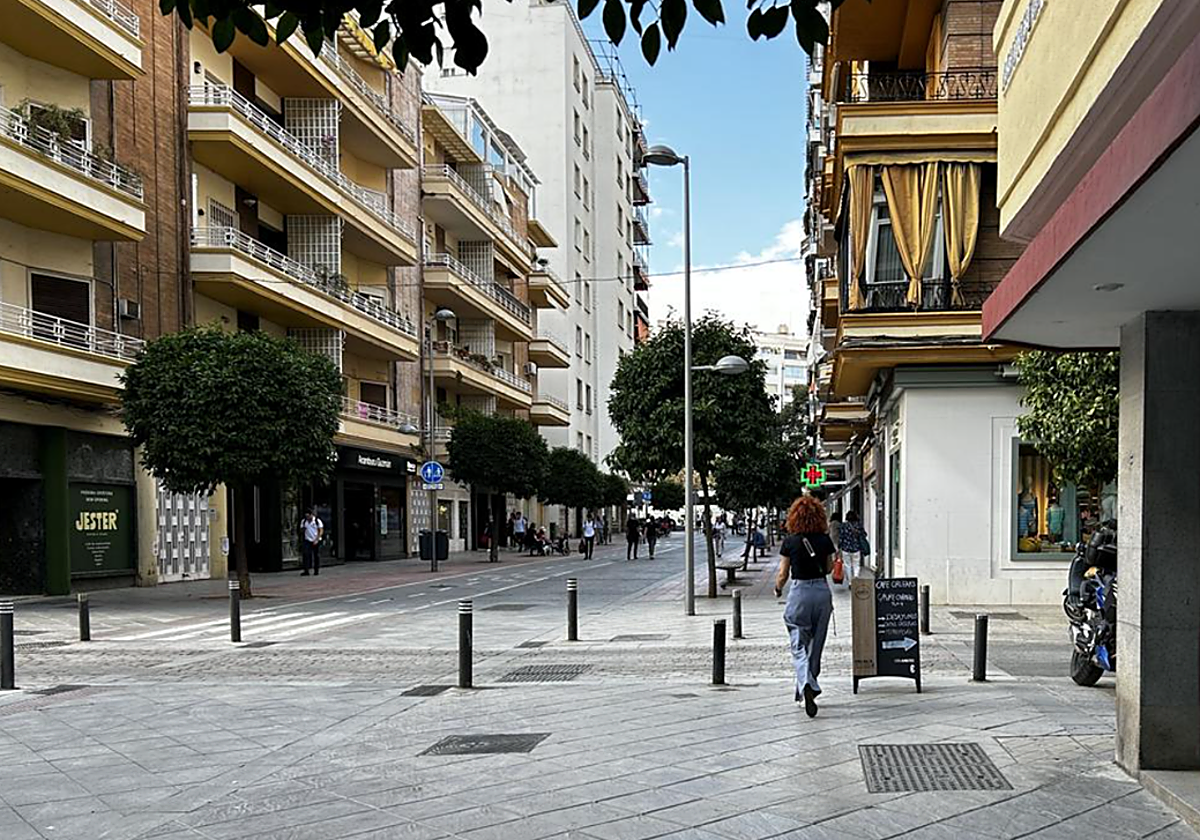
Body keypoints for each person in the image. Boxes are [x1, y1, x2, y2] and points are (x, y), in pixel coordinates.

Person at [774, 495, 835, 718]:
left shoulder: (790, 542)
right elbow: (828, 568)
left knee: (798, 644)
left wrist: (777, 588)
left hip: (799, 593)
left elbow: (782, 574)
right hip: (821, 593)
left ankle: (806, 684)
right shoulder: (825, 540)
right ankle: (808, 685)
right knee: (816, 645)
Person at [838, 510, 870, 580]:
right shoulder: (858, 525)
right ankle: (856, 577)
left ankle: (850, 581)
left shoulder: (843, 526)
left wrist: (839, 546)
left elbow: (841, 537)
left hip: (846, 549)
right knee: (856, 564)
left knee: (847, 565)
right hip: (856, 548)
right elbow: (864, 534)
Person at [300, 508, 323, 576]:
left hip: (316, 539)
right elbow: (302, 530)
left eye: (308, 516)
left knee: (316, 555)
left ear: (311, 515)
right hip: (307, 540)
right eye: (306, 516)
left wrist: (317, 539)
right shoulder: (304, 521)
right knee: (306, 554)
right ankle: (306, 570)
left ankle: (316, 570)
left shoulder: (317, 521)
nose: (307, 518)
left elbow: (320, 530)